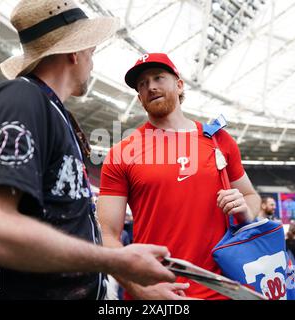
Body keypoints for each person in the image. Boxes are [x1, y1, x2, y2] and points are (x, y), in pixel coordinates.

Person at [0, 0, 175, 300]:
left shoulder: (52, 112)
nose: (92, 63)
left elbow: (66, 223)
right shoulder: (20, 99)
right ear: (74, 51)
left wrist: (133, 280)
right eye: (91, 52)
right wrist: (117, 260)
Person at [98, 53, 261, 299]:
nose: (151, 86)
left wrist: (246, 212)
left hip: (224, 288)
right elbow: (106, 234)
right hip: (157, 291)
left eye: (158, 78)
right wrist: (139, 287)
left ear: (179, 84)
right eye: (142, 84)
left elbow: (250, 195)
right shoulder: (122, 153)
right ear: (139, 96)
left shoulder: (219, 141)